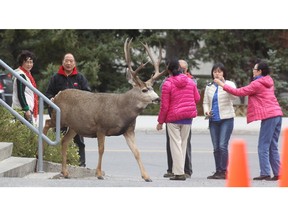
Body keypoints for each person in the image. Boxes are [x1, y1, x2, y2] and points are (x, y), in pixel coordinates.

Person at [214, 61, 283, 181]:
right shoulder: (268, 81)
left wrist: (221, 84)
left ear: (260, 71)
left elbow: (239, 92)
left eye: (254, 69)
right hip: (277, 114)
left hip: (270, 116)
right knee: (273, 146)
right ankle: (278, 173)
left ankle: (265, 173)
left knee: (263, 146)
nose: (253, 71)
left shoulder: (257, 83)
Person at [157, 59, 200, 181]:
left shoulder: (167, 83)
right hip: (187, 117)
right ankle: (179, 171)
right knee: (183, 144)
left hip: (173, 118)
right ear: (181, 69)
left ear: (169, 70)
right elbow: (197, 98)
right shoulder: (191, 82)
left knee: (175, 144)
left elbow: (164, 106)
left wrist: (160, 121)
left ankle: (179, 173)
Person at [45, 53, 91, 167]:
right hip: (60, 114)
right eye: (67, 61)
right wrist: (52, 98)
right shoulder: (55, 78)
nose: (69, 63)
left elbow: (88, 94)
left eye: (71, 61)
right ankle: (56, 161)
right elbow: (48, 94)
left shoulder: (80, 78)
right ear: (63, 62)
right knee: (58, 137)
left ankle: (81, 164)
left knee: (78, 140)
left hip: (77, 116)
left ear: (74, 63)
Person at [203, 63, 237, 179]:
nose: (217, 74)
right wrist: (206, 111)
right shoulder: (209, 85)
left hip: (226, 119)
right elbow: (205, 102)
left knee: (222, 146)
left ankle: (224, 171)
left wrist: (222, 84)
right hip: (213, 120)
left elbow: (234, 97)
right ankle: (218, 171)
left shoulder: (229, 84)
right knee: (216, 147)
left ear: (223, 73)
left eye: (219, 71)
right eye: (215, 71)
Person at [12, 50, 38, 125]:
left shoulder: (27, 74)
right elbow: (20, 94)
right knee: (27, 134)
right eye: (27, 62)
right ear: (22, 62)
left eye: (31, 62)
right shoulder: (21, 74)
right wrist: (26, 109)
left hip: (25, 109)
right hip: (22, 110)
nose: (29, 64)